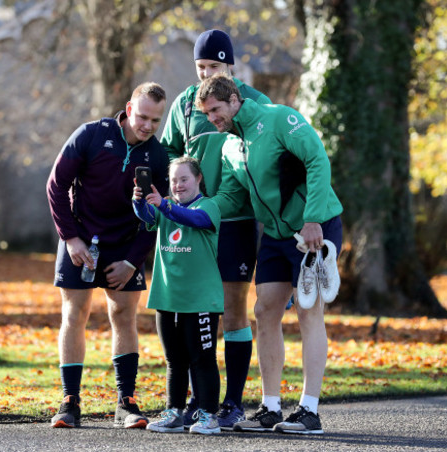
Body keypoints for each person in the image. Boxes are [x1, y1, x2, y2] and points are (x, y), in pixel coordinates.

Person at [196, 74, 344, 435]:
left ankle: (309, 410)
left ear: (233, 99)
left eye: (216, 110)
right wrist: (189, 209)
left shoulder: (278, 119)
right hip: (277, 237)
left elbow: (317, 160)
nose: (213, 118)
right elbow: (232, 198)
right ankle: (271, 407)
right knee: (264, 311)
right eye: (207, 114)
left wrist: (311, 219)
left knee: (309, 311)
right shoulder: (230, 148)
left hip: (316, 226)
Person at [160, 28, 271, 429]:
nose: (205, 74)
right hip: (194, 222)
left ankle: (233, 403)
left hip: (236, 220)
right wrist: (181, 184)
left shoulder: (252, 101)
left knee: (233, 308)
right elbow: (169, 150)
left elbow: (267, 148)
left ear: (229, 67)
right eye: (200, 67)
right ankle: (199, 400)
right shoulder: (185, 104)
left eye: (213, 66)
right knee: (194, 310)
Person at [46, 82, 169, 429]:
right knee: (74, 313)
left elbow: (155, 215)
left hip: (125, 245)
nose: (147, 126)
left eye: (155, 121)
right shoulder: (90, 135)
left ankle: (125, 402)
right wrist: (71, 238)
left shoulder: (157, 156)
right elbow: (56, 186)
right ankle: (69, 401)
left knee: (124, 316)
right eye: (143, 116)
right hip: (81, 238)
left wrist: (132, 261)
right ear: (129, 109)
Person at [132, 157, 223, 435]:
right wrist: (138, 201)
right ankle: (175, 413)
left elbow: (193, 219)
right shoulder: (164, 207)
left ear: (198, 179)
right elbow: (146, 216)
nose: (178, 185)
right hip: (167, 297)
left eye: (184, 179)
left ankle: (209, 416)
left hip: (200, 300)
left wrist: (163, 204)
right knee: (174, 359)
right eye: (173, 180)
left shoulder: (209, 206)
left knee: (202, 358)